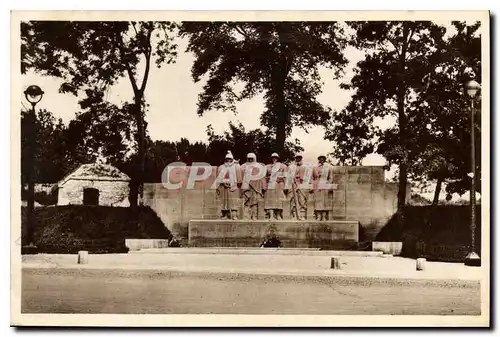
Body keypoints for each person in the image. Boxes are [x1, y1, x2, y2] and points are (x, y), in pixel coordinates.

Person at [216, 151, 242, 220]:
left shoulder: (236, 166)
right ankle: (226, 215)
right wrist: (223, 183)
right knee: (225, 201)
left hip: (233, 186)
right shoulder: (221, 167)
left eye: (230, 159)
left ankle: (234, 215)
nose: (228, 160)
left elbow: (239, 178)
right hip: (224, 186)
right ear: (225, 159)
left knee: (233, 201)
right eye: (227, 159)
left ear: (232, 159)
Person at [240, 153, 264, 220]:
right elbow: (239, 172)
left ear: (254, 159)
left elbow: (261, 177)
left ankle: (254, 215)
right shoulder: (243, 166)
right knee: (246, 201)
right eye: (249, 158)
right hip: (246, 186)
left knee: (254, 202)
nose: (250, 160)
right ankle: (246, 216)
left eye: (252, 158)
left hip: (255, 187)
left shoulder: (259, 166)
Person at [263, 153, 287, 220]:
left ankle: (278, 215)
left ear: (278, 158)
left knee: (279, 200)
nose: (274, 159)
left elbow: (285, 176)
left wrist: (285, 186)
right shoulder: (267, 166)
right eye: (273, 157)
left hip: (279, 184)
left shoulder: (283, 166)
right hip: (270, 184)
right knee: (270, 200)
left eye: (276, 157)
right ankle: (271, 215)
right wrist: (265, 185)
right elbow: (264, 177)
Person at [312, 155, 334, 221]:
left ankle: (324, 216)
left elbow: (331, 177)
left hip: (325, 185)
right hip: (317, 185)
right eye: (320, 158)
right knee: (317, 200)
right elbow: (311, 178)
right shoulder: (315, 167)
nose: (321, 159)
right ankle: (318, 216)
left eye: (323, 158)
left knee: (324, 201)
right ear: (318, 159)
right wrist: (313, 184)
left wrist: (328, 185)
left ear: (324, 159)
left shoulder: (328, 167)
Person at [289, 153, 309, 220]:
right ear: (295, 159)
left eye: (299, 158)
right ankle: (295, 215)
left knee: (302, 200)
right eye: (297, 158)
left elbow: (308, 176)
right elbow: (289, 176)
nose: (298, 159)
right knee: (293, 200)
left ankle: (302, 215)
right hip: (293, 184)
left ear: (301, 158)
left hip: (302, 184)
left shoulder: (305, 167)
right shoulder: (291, 167)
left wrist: (303, 182)